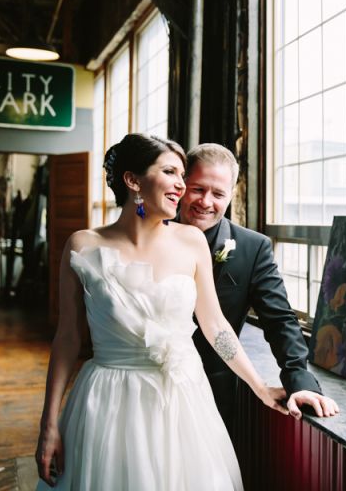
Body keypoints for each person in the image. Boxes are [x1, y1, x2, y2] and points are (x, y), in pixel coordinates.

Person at [34, 134, 287, 490]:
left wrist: (260, 387)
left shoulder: (192, 242)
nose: (181, 185)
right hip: (108, 400)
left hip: (183, 402)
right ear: (133, 180)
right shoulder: (83, 245)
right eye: (170, 172)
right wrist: (49, 423)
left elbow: (216, 327)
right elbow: (68, 338)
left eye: (182, 175)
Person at [178, 143, 339, 429]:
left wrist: (299, 379)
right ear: (181, 185)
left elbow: (279, 319)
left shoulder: (253, 248)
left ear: (231, 195)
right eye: (198, 189)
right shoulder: (149, 236)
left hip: (214, 393)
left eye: (218, 193)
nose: (205, 201)